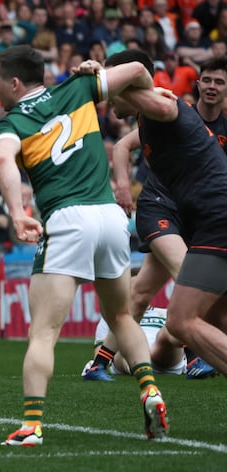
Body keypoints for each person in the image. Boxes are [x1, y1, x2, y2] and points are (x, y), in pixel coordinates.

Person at [0, 45, 168, 446]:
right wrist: (102, 70)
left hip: (67, 219)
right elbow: (139, 67)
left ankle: (31, 425)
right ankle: (150, 389)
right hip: (109, 217)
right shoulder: (80, 87)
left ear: (15, 83)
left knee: (43, 332)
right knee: (122, 316)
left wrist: (17, 213)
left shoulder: (11, 122)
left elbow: (3, 161)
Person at [89, 55, 227, 382]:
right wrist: (123, 185)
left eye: (219, 81)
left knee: (182, 319)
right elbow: (122, 145)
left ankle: (105, 359)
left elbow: (142, 78)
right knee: (213, 317)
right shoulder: (150, 115)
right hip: (182, 213)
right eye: (207, 79)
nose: (211, 86)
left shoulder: (165, 103)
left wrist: (99, 79)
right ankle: (100, 361)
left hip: (212, 218)